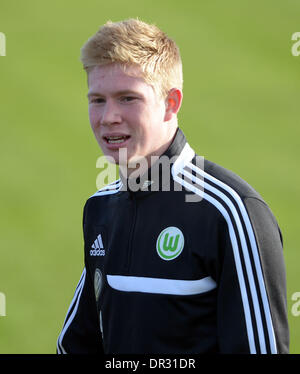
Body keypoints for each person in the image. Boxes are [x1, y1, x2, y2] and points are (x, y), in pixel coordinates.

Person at [56, 19, 289, 354]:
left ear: (171, 103)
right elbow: (78, 343)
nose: (108, 117)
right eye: (97, 100)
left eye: (127, 98)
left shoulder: (231, 211)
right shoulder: (100, 208)